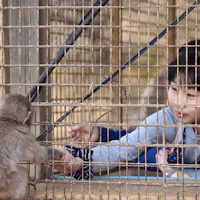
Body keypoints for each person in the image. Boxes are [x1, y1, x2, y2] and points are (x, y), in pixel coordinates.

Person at [51, 40, 200, 179]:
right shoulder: (169, 117)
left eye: (190, 94)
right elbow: (128, 146)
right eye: (174, 89)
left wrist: (173, 173)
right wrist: (78, 162)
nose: (178, 102)